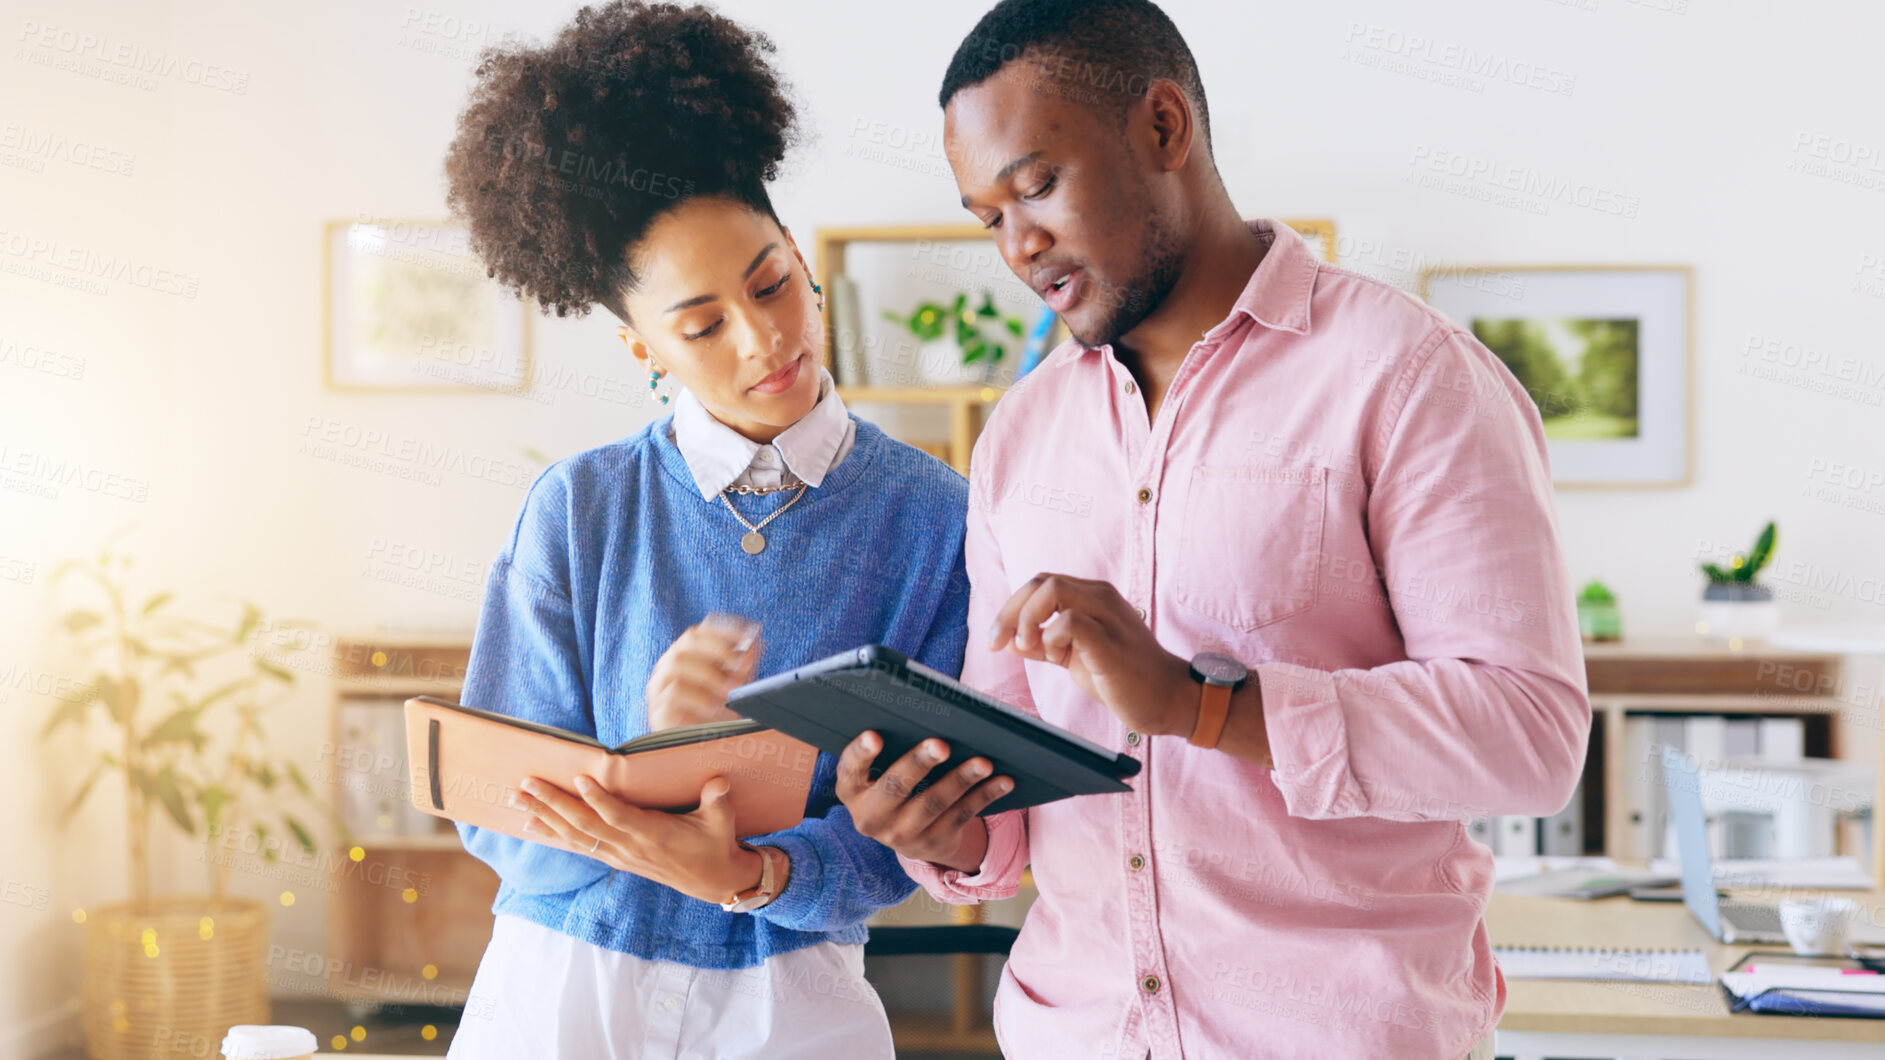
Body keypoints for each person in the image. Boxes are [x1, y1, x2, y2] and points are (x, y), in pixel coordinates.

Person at [835, 2, 1590, 1058]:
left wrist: (1199, 708)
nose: (1018, 247)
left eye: (1037, 185)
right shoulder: (1020, 435)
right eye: (987, 218)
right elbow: (1007, 797)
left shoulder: (1408, 378)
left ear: (1161, 127)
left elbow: (1528, 737)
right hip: (1077, 1033)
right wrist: (939, 822)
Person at [437, 4, 971, 1057]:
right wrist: (646, 758)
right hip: (565, 987)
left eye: (772, 282)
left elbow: (900, 836)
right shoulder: (579, 509)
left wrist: (752, 872)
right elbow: (495, 815)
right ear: (643, 347)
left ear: (804, 262)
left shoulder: (931, 516)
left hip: (792, 1000)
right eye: (701, 324)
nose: (765, 336)